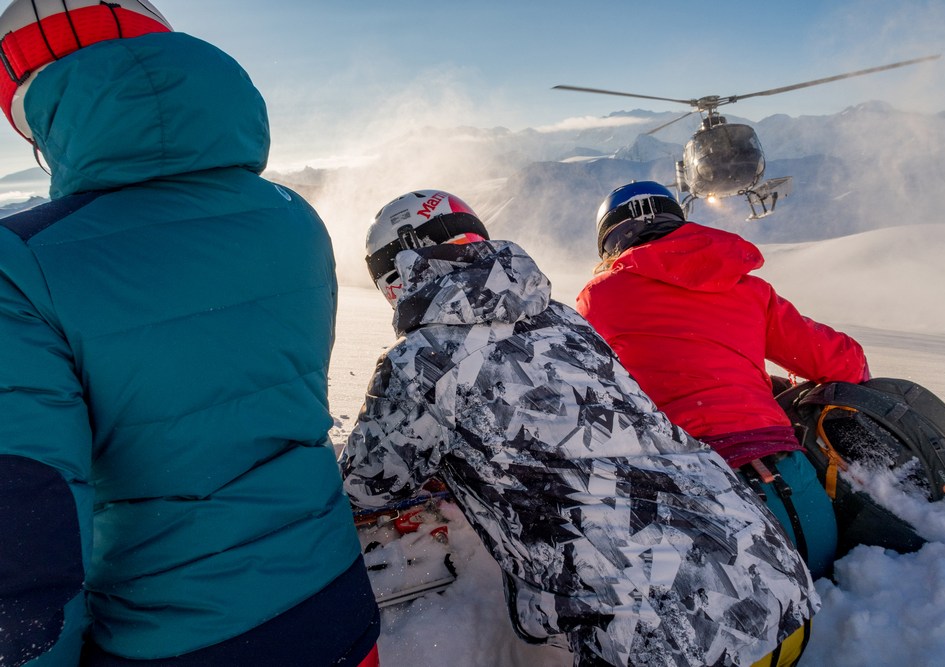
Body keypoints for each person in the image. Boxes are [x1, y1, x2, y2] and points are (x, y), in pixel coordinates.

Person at [0, 2, 378, 665]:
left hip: (174, 639)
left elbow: (26, 519)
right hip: (334, 600)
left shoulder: (21, 262)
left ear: (33, 111)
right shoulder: (294, 216)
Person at [340, 189, 819, 667]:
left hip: (675, 643)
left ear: (397, 270)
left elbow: (368, 485)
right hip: (777, 591)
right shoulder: (566, 321)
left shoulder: (417, 361)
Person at [576, 181, 870, 580]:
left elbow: (584, 393)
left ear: (610, 241)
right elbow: (842, 362)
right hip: (804, 507)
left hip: (703, 500)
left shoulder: (600, 298)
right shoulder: (749, 289)